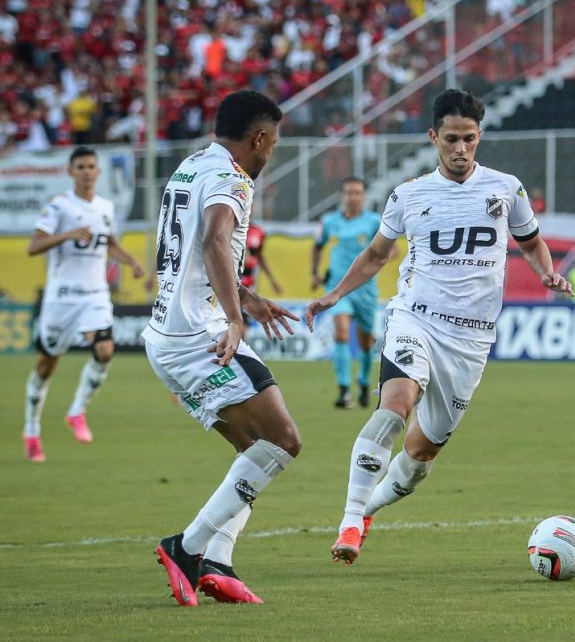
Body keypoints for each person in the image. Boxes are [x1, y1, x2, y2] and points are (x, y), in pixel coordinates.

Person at [303, 89, 573, 566]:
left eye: (469, 139)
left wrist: (546, 271)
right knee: (396, 405)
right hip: (416, 318)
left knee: (421, 455)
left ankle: (368, 510)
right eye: (451, 139)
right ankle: (348, 520)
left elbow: (531, 244)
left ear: (479, 137)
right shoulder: (408, 195)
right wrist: (333, 295)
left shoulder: (506, 189)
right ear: (433, 138)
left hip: (471, 340)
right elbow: (375, 256)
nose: (461, 149)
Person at [143, 90, 302, 606]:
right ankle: (186, 548)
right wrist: (234, 317)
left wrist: (247, 298)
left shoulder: (189, 167)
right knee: (282, 441)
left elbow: (188, 250)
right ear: (258, 138)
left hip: (165, 335)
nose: (270, 152)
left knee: (252, 452)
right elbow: (213, 239)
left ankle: (219, 561)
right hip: (199, 335)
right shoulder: (232, 177)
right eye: (272, 143)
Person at [22, 146, 145, 463]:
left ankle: (77, 411)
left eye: (92, 166)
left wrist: (131, 261)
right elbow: (34, 246)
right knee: (46, 366)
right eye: (81, 167)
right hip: (61, 298)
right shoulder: (58, 207)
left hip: (95, 294)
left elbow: (109, 243)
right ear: (71, 171)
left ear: (98, 172)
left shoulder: (105, 207)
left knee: (105, 350)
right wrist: (67, 235)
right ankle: (32, 430)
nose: (87, 171)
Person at [311, 177, 391, 409]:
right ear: (342, 196)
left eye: (357, 193)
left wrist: (376, 261)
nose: (352, 197)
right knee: (342, 333)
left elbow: (390, 250)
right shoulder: (330, 222)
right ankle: (344, 389)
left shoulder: (374, 222)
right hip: (336, 288)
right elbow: (317, 247)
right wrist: (315, 273)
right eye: (348, 192)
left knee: (366, 342)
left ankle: (364, 382)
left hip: (365, 289)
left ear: (363, 197)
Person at [240, 221, 283, 295]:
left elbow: (259, 256)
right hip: (231, 278)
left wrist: (272, 280)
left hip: (249, 281)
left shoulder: (257, 232)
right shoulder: (229, 228)